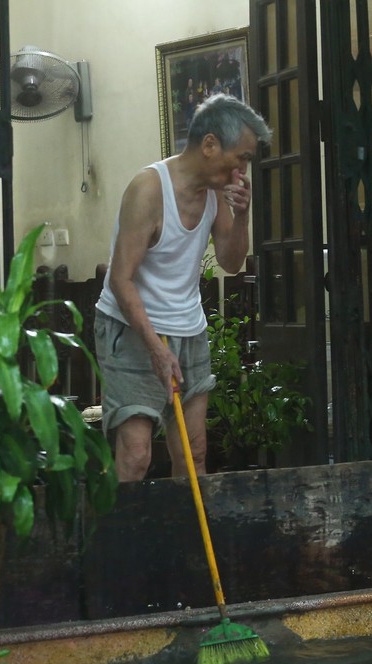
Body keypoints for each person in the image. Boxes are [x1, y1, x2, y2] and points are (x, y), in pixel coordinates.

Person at [94, 93, 272, 482]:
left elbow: (230, 261)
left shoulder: (215, 193)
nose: (243, 170)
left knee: (194, 452)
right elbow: (120, 279)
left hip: (187, 327)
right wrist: (157, 350)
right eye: (241, 157)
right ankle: (122, 539)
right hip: (131, 326)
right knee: (136, 454)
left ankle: (183, 540)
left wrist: (242, 216)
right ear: (210, 145)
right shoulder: (149, 189)